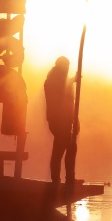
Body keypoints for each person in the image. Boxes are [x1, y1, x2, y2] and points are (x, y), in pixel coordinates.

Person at [44, 56, 77, 185]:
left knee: (70, 147)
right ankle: (56, 180)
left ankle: (69, 179)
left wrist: (75, 119)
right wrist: (73, 80)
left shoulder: (60, 79)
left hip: (66, 120)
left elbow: (69, 101)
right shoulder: (52, 80)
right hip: (57, 121)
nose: (68, 70)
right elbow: (60, 90)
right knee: (60, 149)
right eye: (66, 68)